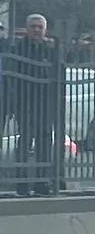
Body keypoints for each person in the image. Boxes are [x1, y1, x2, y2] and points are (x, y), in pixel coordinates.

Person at [7, 14, 55, 196]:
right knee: (24, 141)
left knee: (45, 142)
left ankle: (42, 183)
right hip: (24, 101)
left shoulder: (50, 49)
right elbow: (11, 77)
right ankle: (21, 183)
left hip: (46, 102)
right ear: (26, 28)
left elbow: (59, 74)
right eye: (33, 26)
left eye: (39, 27)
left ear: (45, 29)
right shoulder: (18, 49)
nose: (36, 30)